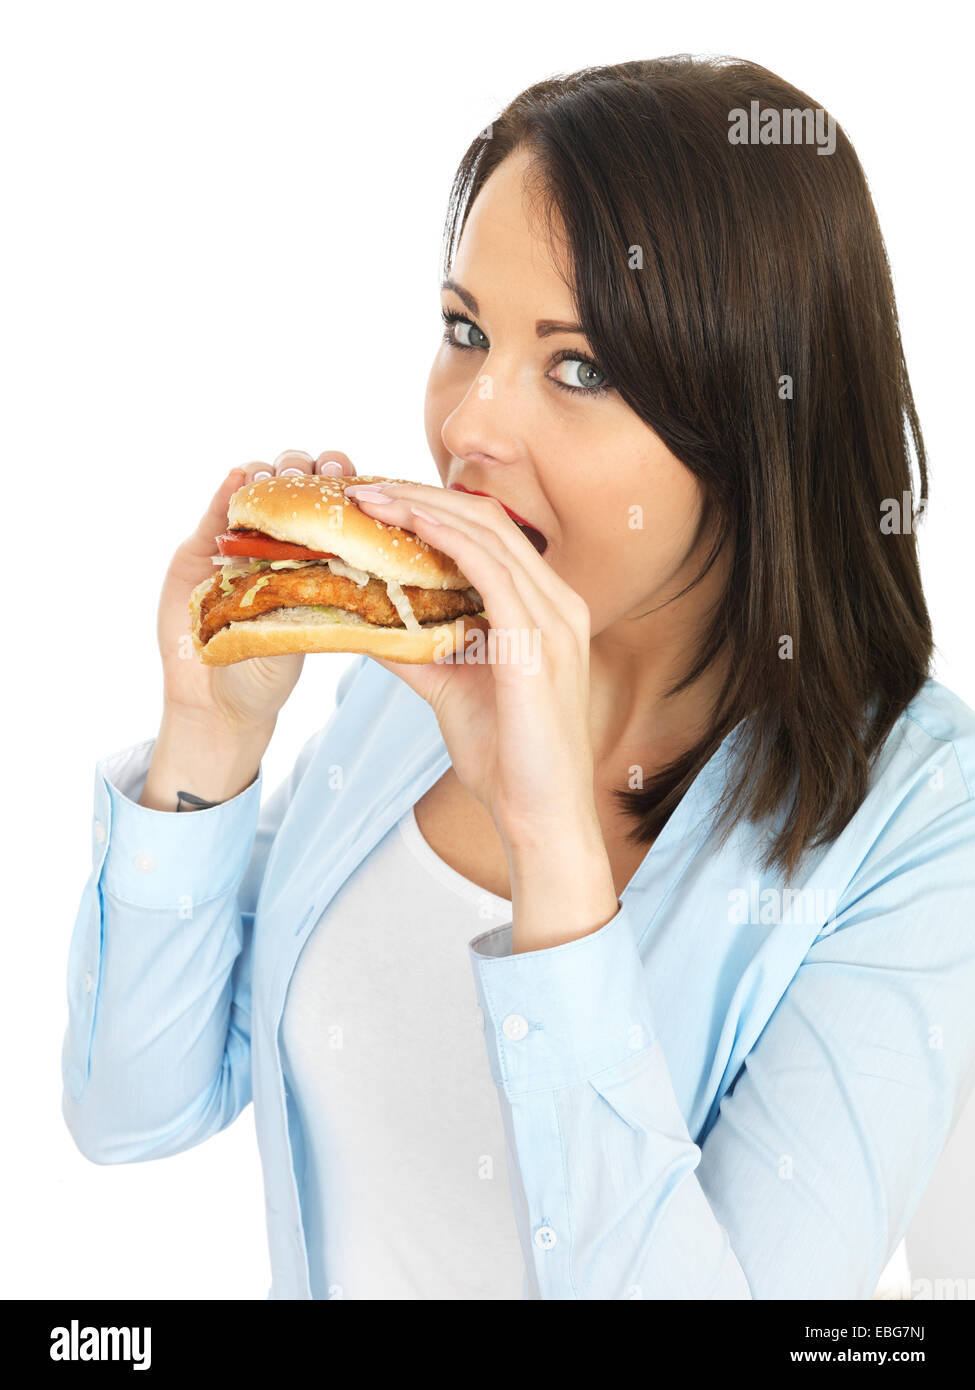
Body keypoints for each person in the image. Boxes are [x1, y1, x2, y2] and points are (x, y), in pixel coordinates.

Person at [62, 56, 975, 1300]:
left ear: (758, 417)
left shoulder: (924, 827)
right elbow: (133, 1108)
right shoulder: (418, 670)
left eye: (579, 367)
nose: (468, 428)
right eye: (466, 333)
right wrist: (208, 742)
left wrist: (551, 849)